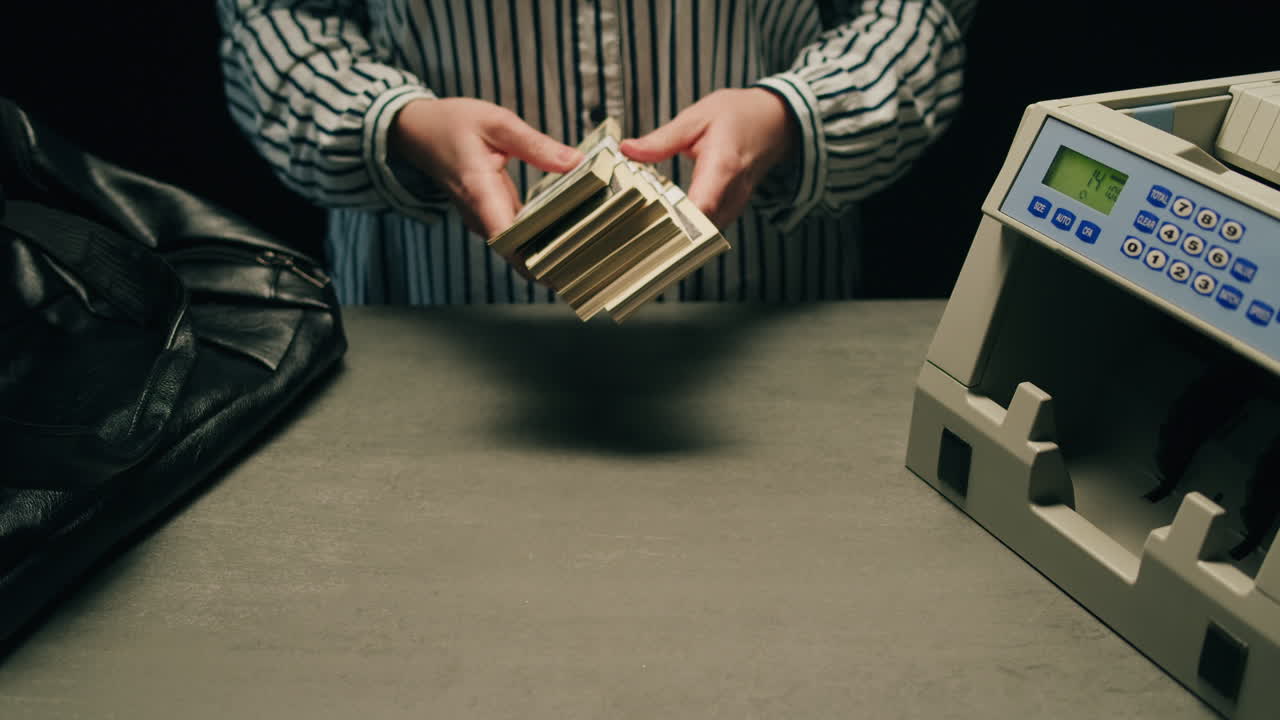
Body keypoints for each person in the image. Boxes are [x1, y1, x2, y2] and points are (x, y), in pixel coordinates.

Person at [217, 0, 976, 305]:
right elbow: (272, 17)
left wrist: (792, 117)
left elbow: (913, 13)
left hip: (762, 326)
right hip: (433, 327)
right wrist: (395, 125)